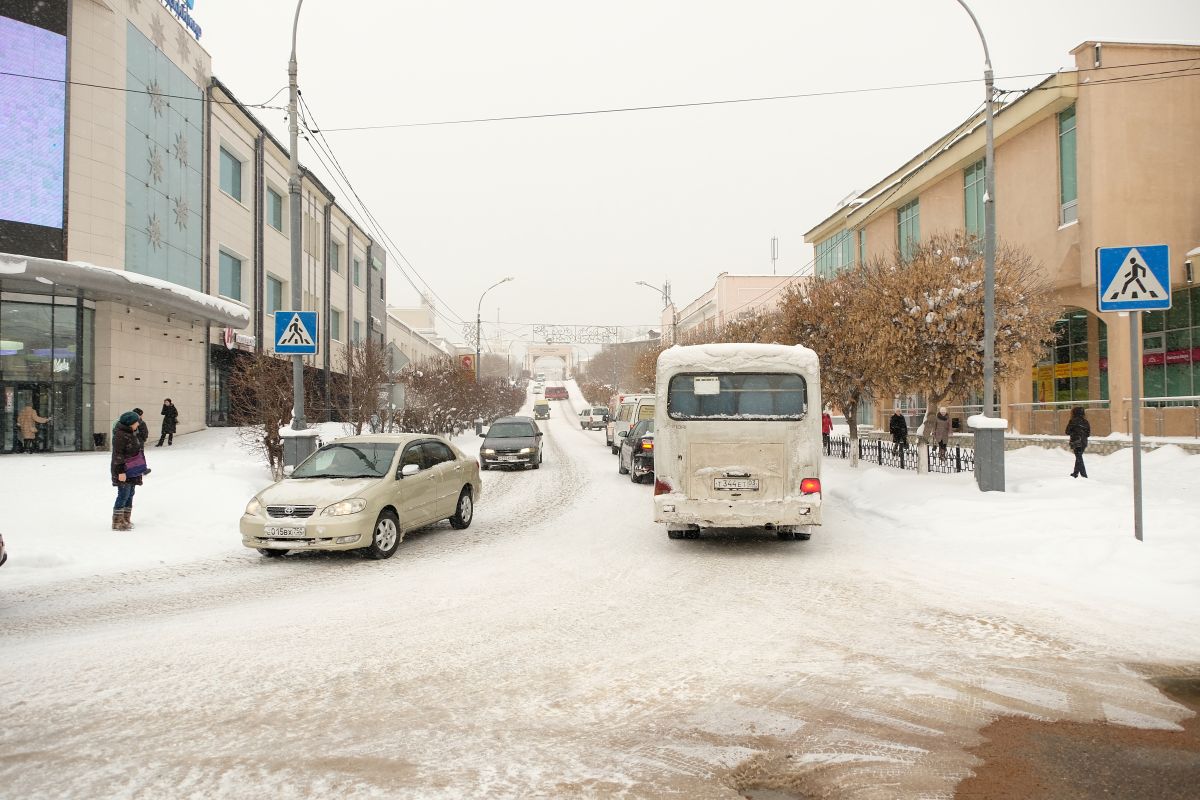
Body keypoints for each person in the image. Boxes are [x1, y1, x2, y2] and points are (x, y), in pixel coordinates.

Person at [111, 411, 143, 530]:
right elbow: (118, 455)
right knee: (123, 494)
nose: (138, 425)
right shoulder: (120, 435)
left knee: (130, 494)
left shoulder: (131, 433)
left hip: (132, 468)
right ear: (130, 423)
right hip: (124, 469)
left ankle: (125, 519)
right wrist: (120, 472)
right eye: (136, 422)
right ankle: (117, 522)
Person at [1066, 406, 1091, 479]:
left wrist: (1074, 433)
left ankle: (1084, 475)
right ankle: (1075, 473)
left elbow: (1067, 432)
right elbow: (1088, 433)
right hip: (1084, 442)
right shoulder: (1086, 421)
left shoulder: (1073, 421)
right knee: (1079, 457)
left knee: (1079, 457)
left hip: (1076, 441)